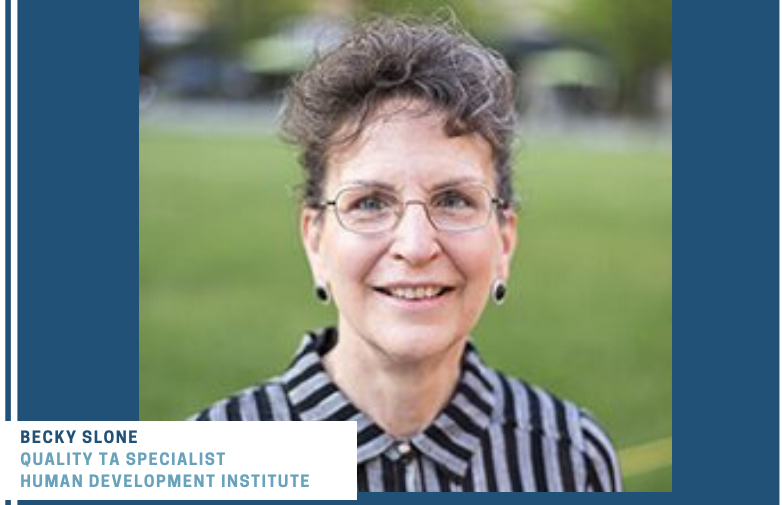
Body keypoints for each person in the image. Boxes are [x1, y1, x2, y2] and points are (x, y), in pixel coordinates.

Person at [190, 17, 622, 492]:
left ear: (504, 241)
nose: (415, 247)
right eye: (370, 203)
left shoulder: (570, 459)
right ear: (315, 240)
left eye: (454, 200)